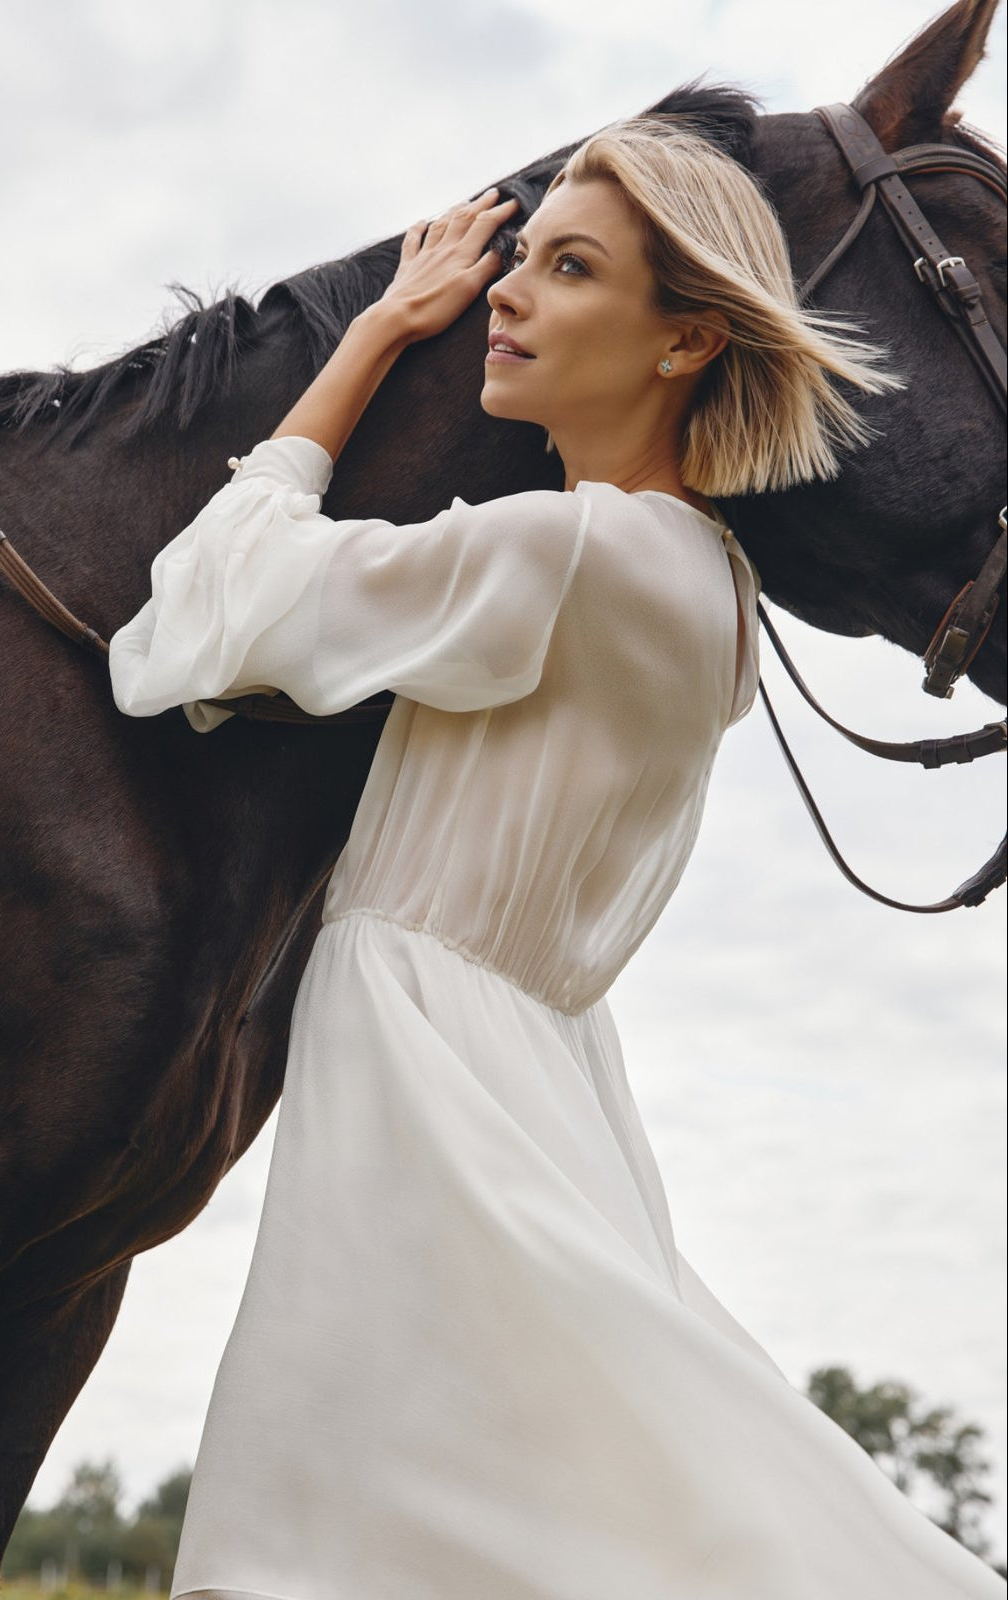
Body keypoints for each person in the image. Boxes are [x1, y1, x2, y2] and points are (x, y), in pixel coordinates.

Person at [109, 118, 1001, 1599]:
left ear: (682, 342)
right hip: (543, 1085)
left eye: (568, 269)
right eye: (514, 262)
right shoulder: (712, 588)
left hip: (426, 1086)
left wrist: (379, 333)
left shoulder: (563, 554)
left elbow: (202, 611)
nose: (508, 295)